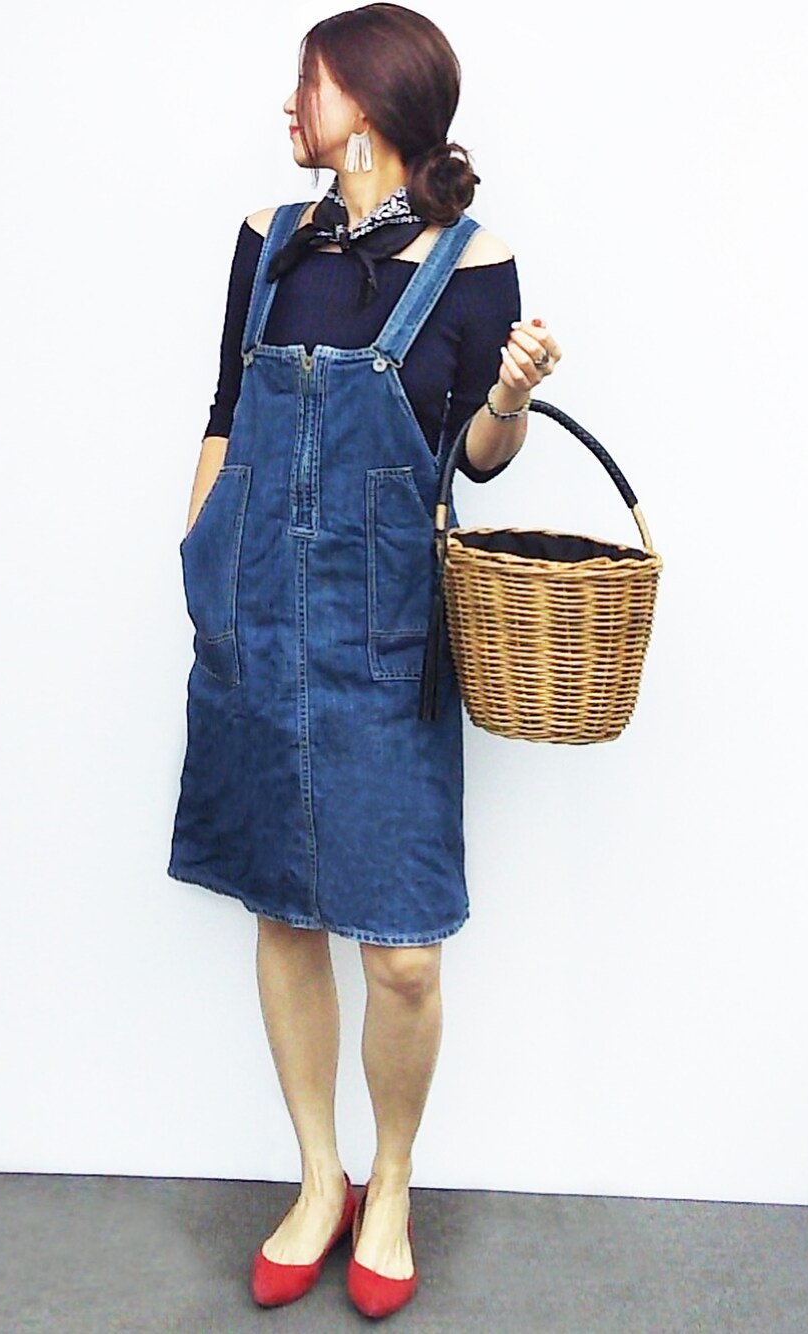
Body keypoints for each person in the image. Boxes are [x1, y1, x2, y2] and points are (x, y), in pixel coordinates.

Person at [168, 3, 561, 1319]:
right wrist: (201, 555)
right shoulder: (267, 240)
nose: (292, 105)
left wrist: (509, 395)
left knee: (402, 953)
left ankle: (390, 1183)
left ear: (375, 103)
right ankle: (318, 1175)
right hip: (255, 617)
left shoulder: (474, 262)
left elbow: (477, 459)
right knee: (283, 908)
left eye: (311, 82)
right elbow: (226, 406)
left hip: (388, 633)